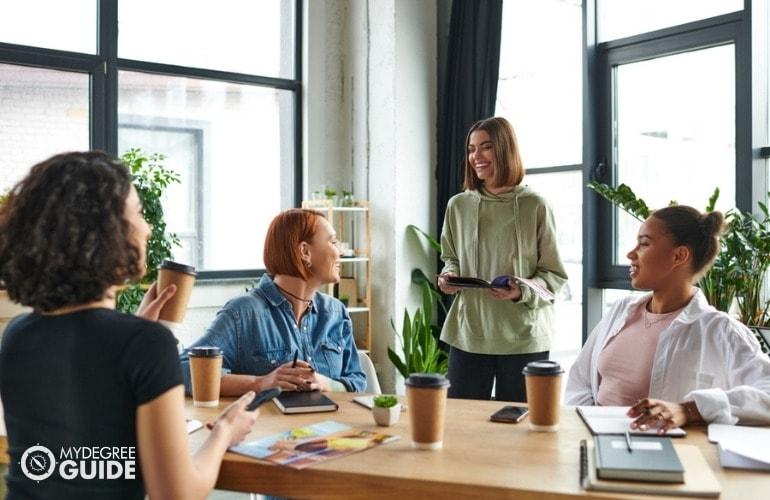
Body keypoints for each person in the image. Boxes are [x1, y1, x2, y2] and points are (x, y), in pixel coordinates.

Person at [0, 151, 257, 499]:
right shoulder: (144, 344)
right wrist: (225, 430)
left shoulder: (17, 334)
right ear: (106, 233)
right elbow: (177, 494)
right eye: (137, 213)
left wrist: (134, 328)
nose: (148, 228)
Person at [565, 205, 770, 430]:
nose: (631, 254)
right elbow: (581, 381)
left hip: (669, 455)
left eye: (644, 243)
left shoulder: (721, 330)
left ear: (679, 255)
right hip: (594, 444)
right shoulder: (620, 311)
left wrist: (689, 409)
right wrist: (588, 430)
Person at [437, 117, 567, 402]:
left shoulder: (536, 205)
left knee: (522, 431)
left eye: (486, 147)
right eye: (471, 149)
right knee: (464, 426)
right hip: (469, 333)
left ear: (506, 150)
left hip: (524, 337)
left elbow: (554, 276)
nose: (476, 157)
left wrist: (521, 290)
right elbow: (450, 257)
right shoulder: (458, 205)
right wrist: (449, 276)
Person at [180, 208, 366, 396]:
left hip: (331, 425)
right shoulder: (243, 313)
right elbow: (182, 369)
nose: (340, 251)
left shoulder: (336, 313)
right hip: (270, 425)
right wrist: (260, 383)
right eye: (333, 242)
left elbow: (357, 380)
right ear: (305, 252)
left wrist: (327, 384)